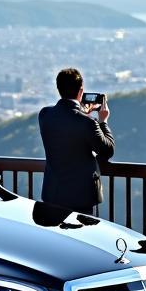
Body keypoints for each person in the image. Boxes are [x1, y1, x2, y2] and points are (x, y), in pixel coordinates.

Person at [38, 68, 114, 214]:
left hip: (52, 194)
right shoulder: (88, 123)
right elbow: (107, 150)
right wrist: (103, 121)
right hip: (80, 198)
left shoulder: (45, 115)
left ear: (58, 89)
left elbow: (67, 123)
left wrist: (81, 112)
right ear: (81, 91)